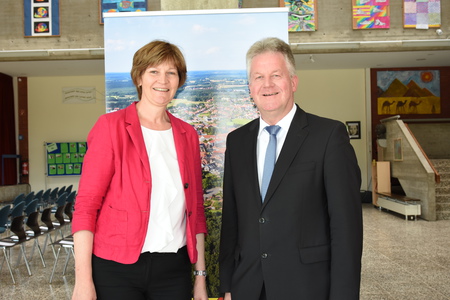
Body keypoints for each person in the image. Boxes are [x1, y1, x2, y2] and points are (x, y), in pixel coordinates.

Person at [219, 37, 363, 300]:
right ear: (250, 87)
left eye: (276, 75)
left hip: (308, 287)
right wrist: (228, 286)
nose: (267, 84)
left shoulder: (329, 136)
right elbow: (232, 221)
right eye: (259, 77)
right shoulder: (237, 141)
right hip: (248, 287)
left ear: (293, 82)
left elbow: (346, 229)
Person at [71, 40, 208, 300]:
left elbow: (196, 210)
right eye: (154, 71)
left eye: (171, 72)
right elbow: (87, 206)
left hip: (173, 270)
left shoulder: (187, 135)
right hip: (115, 270)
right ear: (139, 77)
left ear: (179, 81)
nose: (163, 80)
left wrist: (200, 278)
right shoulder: (110, 127)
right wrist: (83, 282)